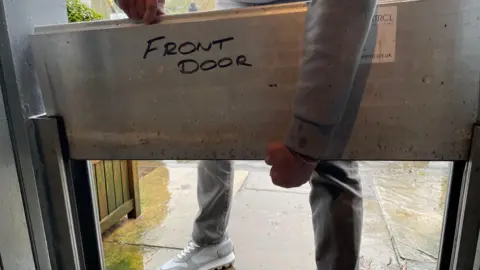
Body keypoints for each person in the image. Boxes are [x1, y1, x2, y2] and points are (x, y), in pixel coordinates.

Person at [116, 0, 377, 269]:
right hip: (236, 11)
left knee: (334, 157)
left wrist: (307, 140)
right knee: (214, 130)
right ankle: (210, 242)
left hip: (319, 15)